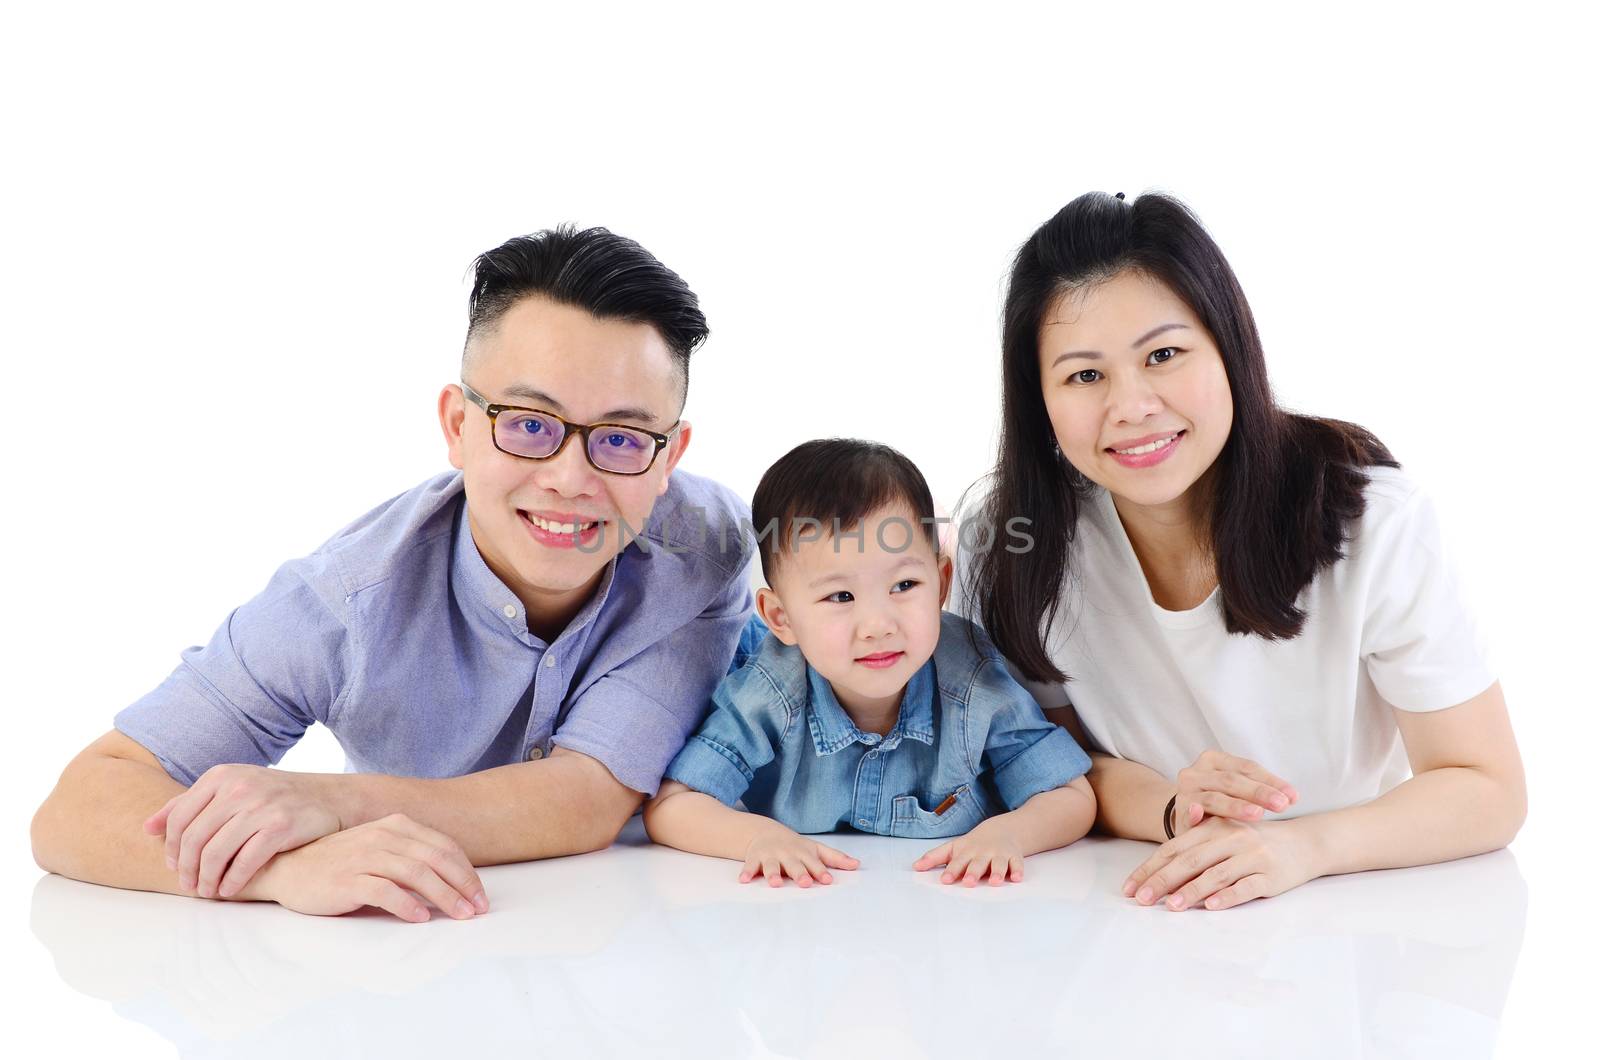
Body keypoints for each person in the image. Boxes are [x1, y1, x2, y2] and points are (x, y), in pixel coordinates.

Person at [31, 226, 754, 922]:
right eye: (529, 424)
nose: (570, 478)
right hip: (408, 960)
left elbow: (588, 796)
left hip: (643, 950)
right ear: (457, 427)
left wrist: (335, 806)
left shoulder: (706, 548)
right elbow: (80, 805)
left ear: (670, 456)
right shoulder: (344, 602)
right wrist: (281, 869)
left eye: (623, 439)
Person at [958, 190, 1526, 911]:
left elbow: (1487, 787)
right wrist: (1176, 809)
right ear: (1038, 400)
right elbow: (1038, 761)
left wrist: (1302, 847)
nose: (1131, 405)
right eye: (1085, 375)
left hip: (1356, 926)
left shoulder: (1371, 519)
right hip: (1125, 915)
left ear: (1230, 348)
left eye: (1163, 355)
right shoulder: (1008, 539)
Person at [644, 439, 1096, 887]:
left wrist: (1008, 834)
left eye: (904, 585)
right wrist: (757, 837)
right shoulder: (770, 689)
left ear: (940, 584)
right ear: (781, 618)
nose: (877, 625)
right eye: (841, 596)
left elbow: (1070, 794)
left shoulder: (972, 679)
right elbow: (674, 805)